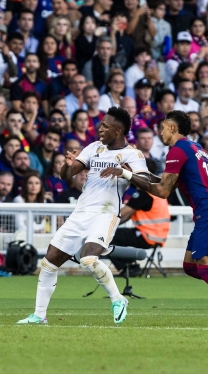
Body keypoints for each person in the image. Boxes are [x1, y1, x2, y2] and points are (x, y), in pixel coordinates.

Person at [112, 110, 208, 326]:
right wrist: (133, 174)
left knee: (206, 269)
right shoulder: (194, 147)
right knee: (191, 267)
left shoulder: (177, 150)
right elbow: (167, 183)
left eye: (162, 127)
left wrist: (127, 175)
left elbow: (162, 191)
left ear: (172, 127)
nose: (160, 131)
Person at [17, 107, 146, 326]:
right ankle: (39, 315)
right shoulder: (94, 148)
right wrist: (67, 166)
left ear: (119, 130)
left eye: (106, 125)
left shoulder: (133, 155)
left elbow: (147, 182)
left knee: (88, 259)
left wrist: (124, 172)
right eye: (101, 123)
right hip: (81, 212)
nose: (100, 127)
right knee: (49, 262)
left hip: (106, 214)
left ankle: (118, 299)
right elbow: (68, 174)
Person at [109, 159, 170, 276]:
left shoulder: (144, 193)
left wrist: (106, 225)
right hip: (157, 236)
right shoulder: (154, 191)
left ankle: (130, 267)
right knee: (116, 234)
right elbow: (125, 216)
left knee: (108, 237)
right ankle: (130, 265)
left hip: (146, 236)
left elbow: (122, 213)